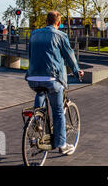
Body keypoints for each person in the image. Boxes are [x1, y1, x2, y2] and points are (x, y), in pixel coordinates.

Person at [26, 11, 84, 156]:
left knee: (40, 92)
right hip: (52, 79)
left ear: (46, 21)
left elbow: (30, 54)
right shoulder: (60, 35)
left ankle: (37, 120)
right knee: (58, 111)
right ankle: (62, 144)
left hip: (32, 78)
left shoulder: (34, 34)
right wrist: (77, 72)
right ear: (58, 23)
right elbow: (70, 56)